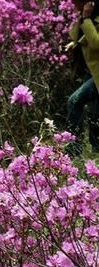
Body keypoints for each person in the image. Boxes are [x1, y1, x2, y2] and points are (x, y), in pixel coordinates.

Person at [66, 0, 99, 155]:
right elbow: (75, 34)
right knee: (95, 115)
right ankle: (95, 154)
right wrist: (76, 43)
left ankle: (73, 151)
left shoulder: (91, 17)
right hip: (92, 71)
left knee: (74, 101)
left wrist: (86, 18)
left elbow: (96, 43)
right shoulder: (91, 16)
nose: (73, 4)